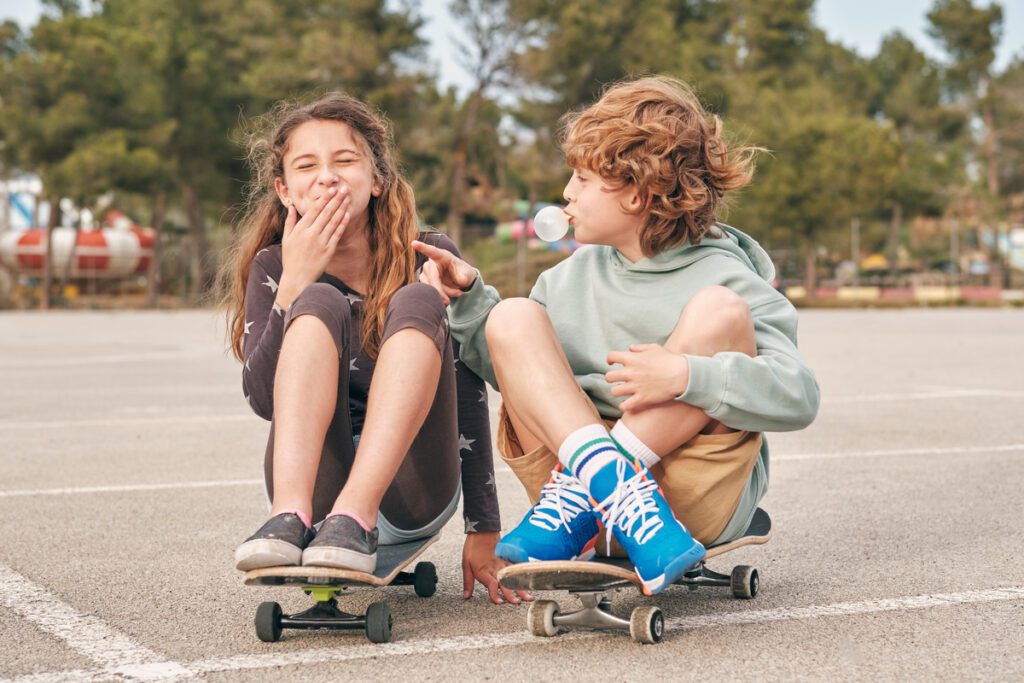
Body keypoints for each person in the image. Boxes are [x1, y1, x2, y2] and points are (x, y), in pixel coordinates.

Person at [413, 76, 820, 595]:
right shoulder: (564, 281)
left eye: (582, 178)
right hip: (576, 519)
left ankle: (598, 493)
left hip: (689, 504)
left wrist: (686, 376)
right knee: (511, 316)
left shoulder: (727, 274)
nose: (566, 194)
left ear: (636, 193)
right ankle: (615, 491)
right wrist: (471, 300)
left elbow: (799, 396)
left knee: (719, 313)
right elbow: (525, 384)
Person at [221, 93, 526, 605]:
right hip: (316, 486)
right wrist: (295, 282)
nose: (327, 176)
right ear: (285, 190)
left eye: (344, 160)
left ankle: (356, 516)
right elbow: (263, 400)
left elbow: (467, 390)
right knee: (318, 298)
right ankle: (289, 518)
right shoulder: (274, 267)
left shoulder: (428, 253)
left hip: (415, 483)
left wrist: (483, 527)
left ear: (377, 179)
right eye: (306, 166)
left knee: (416, 298)